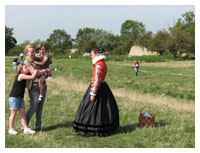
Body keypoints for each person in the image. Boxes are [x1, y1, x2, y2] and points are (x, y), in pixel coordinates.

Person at [73, 48, 119, 137]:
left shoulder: (98, 65)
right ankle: (102, 127)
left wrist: (93, 93)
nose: (91, 56)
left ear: (96, 54)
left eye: (92, 54)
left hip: (97, 87)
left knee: (89, 109)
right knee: (103, 109)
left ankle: (89, 130)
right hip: (104, 87)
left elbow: (97, 80)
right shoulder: (103, 63)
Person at [24, 45, 50, 132]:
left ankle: (38, 126)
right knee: (34, 106)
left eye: (34, 51)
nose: (33, 53)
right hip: (34, 86)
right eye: (31, 52)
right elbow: (34, 73)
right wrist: (46, 70)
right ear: (27, 53)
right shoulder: (27, 61)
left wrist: (46, 72)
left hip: (43, 85)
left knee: (40, 107)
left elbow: (46, 66)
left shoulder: (37, 58)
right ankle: (25, 126)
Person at [8, 63, 38, 135]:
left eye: (27, 67)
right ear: (21, 70)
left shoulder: (25, 77)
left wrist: (31, 79)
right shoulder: (21, 75)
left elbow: (29, 87)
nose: (27, 68)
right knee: (13, 113)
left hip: (20, 98)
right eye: (25, 68)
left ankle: (25, 128)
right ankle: (11, 129)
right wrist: (35, 71)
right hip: (14, 97)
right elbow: (33, 76)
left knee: (22, 113)